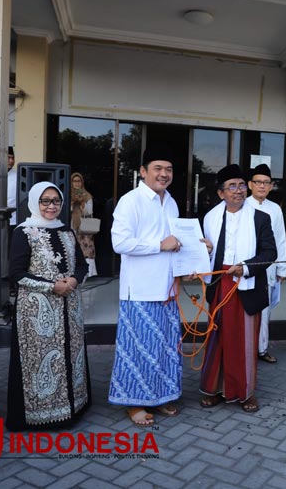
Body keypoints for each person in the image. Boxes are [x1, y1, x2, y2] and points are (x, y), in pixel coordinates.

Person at [108, 147, 204, 426]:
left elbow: (175, 244)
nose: (164, 174)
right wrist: (159, 245)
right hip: (139, 290)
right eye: (158, 168)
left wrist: (195, 251)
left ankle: (160, 397)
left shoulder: (171, 202)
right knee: (137, 349)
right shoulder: (131, 201)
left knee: (163, 348)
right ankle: (133, 403)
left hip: (167, 288)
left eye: (169, 170)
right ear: (143, 172)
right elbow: (120, 243)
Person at [7, 181, 91, 431]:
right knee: (39, 359)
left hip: (69, 306)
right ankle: (40, 414)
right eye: (45, 201)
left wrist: (74, 279)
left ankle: (73, 408)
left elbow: (82, 265)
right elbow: (16, 274)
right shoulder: (23, 232)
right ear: (34, 202)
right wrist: (52, 286)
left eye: (56, 201)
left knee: (70, 354)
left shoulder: (66, 231)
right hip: (37, 312)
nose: (51, 206)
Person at [200, 164, 277, 413]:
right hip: (218, 283)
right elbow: (204, 251)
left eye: (242, 185)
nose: (238, 190)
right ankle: (213, 390)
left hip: (246, 283)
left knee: (243, 341)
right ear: (221, 193)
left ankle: (245, 393)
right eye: (231, 186)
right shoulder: (210, 217)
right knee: (217, 336)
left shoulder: (260, 217)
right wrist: (204, 254)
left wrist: (244, 267)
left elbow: (270, 253)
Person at [245, 163, 286, 364]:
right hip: (246, 268)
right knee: (246, 309)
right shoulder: (242, 206)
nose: (262, 186)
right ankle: (245, 348)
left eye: (266, 183)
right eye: (258, 182)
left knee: (265, 310)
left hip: (269, 269)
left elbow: (281, 239)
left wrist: (282, 267)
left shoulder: (275, 209)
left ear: (271, 186)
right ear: (250, 185)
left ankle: (261, 349)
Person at [70, 172, 98, 277]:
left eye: (79, 181)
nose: (77, 183)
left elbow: (89, 211)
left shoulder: (87, 195)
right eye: (74, 181)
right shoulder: (68, 194)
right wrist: (73, 203)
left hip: (85, 227)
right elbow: (65, 210)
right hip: (72, 225)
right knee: (73, 248)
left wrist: (82, 204)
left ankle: (87, 273)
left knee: (86, 249)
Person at [7, 146, 17, 229]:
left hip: (13, 220)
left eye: (12, 158)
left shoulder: (18, 177)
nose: (11, 161)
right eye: (8, 157)